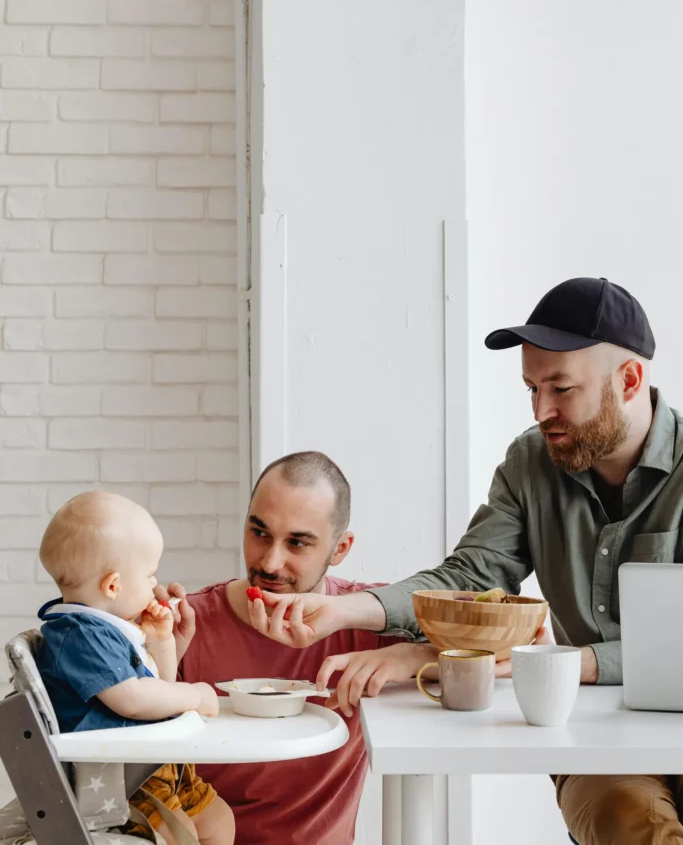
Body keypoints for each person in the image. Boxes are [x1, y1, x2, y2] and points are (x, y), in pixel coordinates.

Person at [250, 277, 683, 844]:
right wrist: (341, 611)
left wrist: (569, 663)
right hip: (596, 746)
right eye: (531, 389)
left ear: (629, 380)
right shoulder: (531, 461)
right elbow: (469, 577)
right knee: (633, 827)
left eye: (561, 389)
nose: (541, 410)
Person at [158, 451, 426, 845]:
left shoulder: (371, 620)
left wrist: (411, 655)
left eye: (297, 543)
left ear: (340, 548)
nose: (270, 561)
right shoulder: (184, 626)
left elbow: (517, 638)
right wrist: (158, 654)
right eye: (259, 532)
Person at [37, 492, 235, 845]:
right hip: (121, 779)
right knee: (181, 836)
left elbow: (159, 687)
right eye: (149, 574)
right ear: (113, 585)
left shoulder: (109, 628)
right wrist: (195, 695)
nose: (155, 585)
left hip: (153, 763)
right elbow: (133, 699)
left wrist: (162, 642)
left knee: (219, 820)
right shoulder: (80, 635)